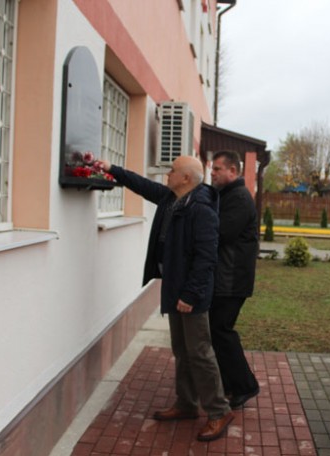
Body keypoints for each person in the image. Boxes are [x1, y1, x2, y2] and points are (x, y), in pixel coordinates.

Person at [97, 156, 234, 442]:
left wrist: (191, 294)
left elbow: (206, 258)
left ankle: (219, 411)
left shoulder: (201, 209)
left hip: (190, 294)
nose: (167, 174)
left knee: (199, 351)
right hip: (175, 288)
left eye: (172, 171)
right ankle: (186, 404)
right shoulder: (172, 199)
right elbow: (143, 185)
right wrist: (113, 170)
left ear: (186, 178)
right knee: (182, 350)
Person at [208, 150, 260, 408]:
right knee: (218, 332)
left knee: (221, 331)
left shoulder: (238, 198)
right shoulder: (226, 195)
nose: (213, 173)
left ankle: (244, 386)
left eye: (217, 169)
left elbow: (222, 233)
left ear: (233, 171)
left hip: (231, 280)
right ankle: (231, 384)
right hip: (225, 278)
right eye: (212, 168)